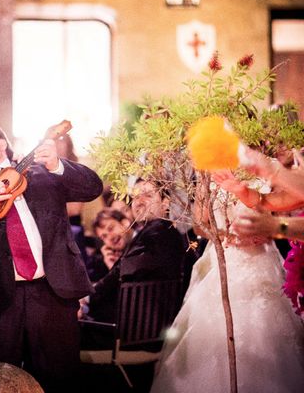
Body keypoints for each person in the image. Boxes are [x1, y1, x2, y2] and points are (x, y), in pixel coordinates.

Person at [0, 121, 103, 392]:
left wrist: (57, 165)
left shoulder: (44, 173)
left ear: (3, 143)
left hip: (53, 295)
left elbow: (92, 188)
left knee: (60, 380)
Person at [150, 160, 304, 392]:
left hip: (263, 258)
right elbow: (200, 225)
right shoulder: (208, 170)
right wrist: (225, 235)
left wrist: (269, 230)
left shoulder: (266, 164)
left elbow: (281, 211)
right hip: (227, 258)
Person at [87, 179, 188, 326]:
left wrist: (88, 298)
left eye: (147, 195)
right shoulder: (155, 231)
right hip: (136, 322)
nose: (139, 201)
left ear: (165, 203)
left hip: (138, 327)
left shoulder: (158, 231)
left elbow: (125, 270)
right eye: (135, 197)